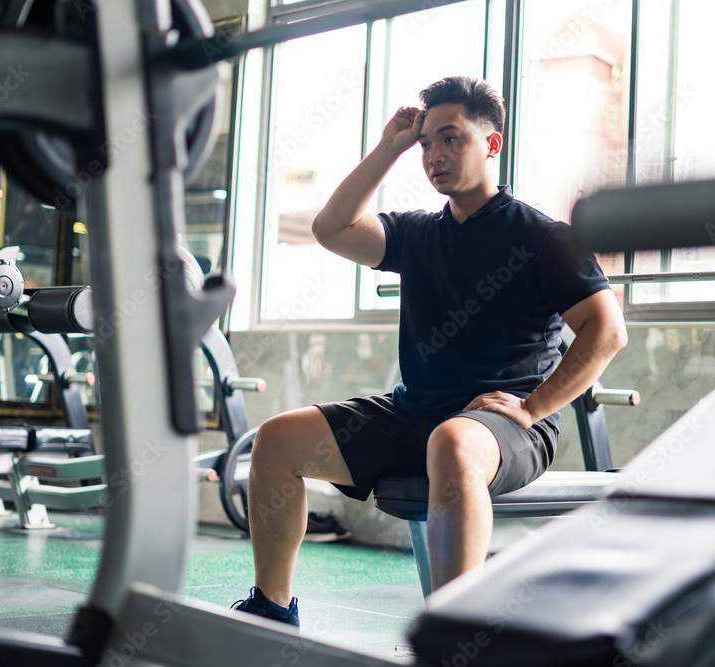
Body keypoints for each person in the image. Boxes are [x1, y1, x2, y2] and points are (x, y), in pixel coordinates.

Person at [232, 76, 627, 628]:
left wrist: (533, 407)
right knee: (277, 439)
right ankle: (272, 608)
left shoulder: (543, 237)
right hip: (414, 414)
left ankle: (454, 634)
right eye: (426, 143)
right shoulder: (417, 234)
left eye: (450, 138)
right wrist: (388, 147)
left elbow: (606, 331)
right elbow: (331, 228)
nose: (434, 155)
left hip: (504, 427)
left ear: (492, 144)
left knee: (454, 442)